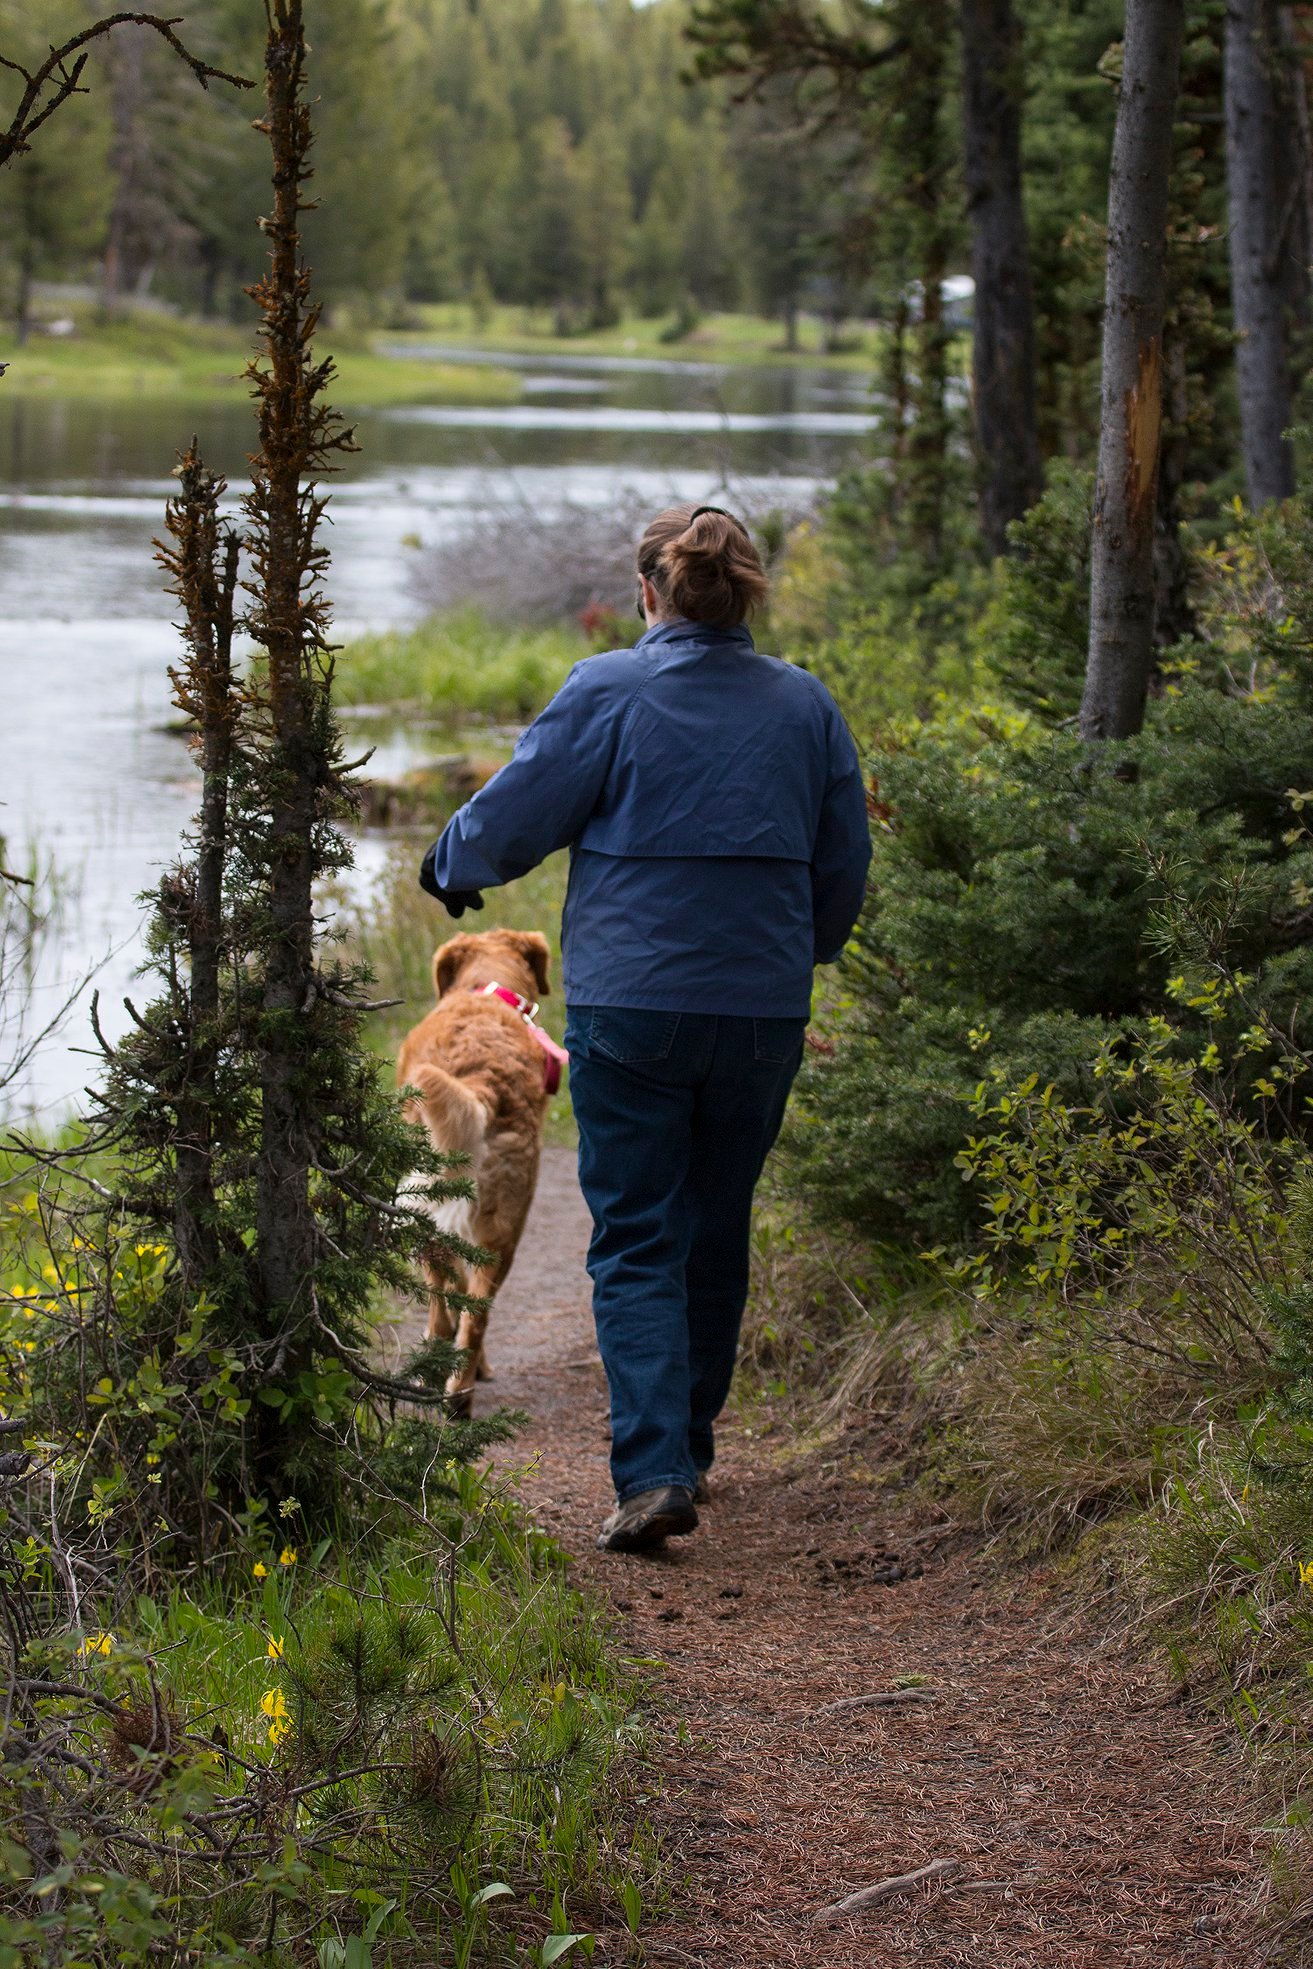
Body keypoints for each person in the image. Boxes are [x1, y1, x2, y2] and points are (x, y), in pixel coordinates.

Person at [419, 503, 871, 1552]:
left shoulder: (607, 689)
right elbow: (842, 859)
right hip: (760, 1011)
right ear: (747, 595)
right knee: (714, 1225)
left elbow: (515, 814)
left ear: (646, 593)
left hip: (633, 1009)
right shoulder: (805, 705)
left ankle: (654, 1470)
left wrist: (450, 865)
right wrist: (799, 950)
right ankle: (689, 1451)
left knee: (634, 1233)